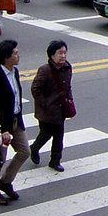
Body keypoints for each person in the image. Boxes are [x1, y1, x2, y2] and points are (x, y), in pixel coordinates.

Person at [0, 39, 30, 206]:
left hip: (15, 121)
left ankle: (6, 181)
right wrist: (2, 129)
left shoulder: (15, 72)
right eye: (15, 53)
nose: (18, 55)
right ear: (6, 57)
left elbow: (16, 98)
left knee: (24, 151)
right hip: (2, 125)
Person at [29, 40, 73, 172]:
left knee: (59, 136)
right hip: (46, 111)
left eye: (65, 53)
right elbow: (35, 89)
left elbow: (68, 86)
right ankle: (34, 148)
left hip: (60, 110)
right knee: (45, 134)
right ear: (51, 55)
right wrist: (45, 103)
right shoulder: (45, 70)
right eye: (60, 53)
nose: (63, 56)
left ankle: (55, 161)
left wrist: (69, 99)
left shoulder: (67, 67)